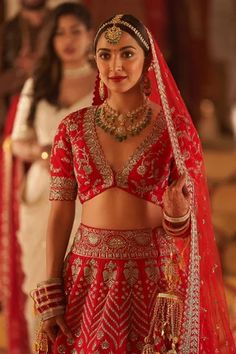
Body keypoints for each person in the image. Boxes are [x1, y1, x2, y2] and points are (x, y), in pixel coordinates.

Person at [32, 14, 236, 354]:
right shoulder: (71, 129)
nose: (115, 65)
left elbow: (194, 231)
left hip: (153, 279)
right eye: (105, 55)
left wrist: (178, 215)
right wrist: (52, 284)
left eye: (127, 53)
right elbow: (60, 213)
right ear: (95, 60)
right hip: (86, 277)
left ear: (148, 60)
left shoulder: (176, 131)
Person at [11, 2, 96, 350]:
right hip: (41, 194)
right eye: (60, 33)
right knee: (41, 282)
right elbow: (18, 141)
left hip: (89, 196)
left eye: (75, 31)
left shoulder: (106, 79)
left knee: (83, 284)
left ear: (89, 35)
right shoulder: (39, 82)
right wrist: (47, 154)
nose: (68, 40)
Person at [0, 0, 48, 139]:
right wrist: (20, 73)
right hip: (15, 119)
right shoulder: (7, 31)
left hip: (54, 111)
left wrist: (39, 67)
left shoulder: (60, 24)